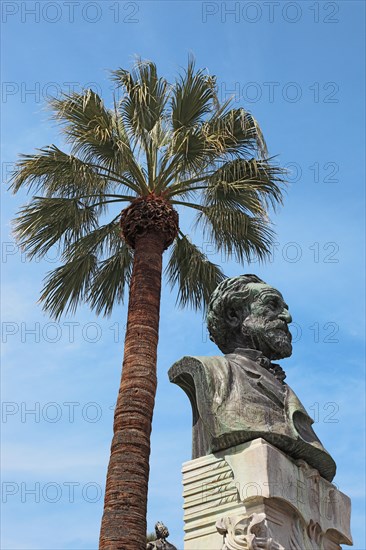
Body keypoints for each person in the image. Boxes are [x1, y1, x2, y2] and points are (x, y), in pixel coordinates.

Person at [169, 275, 336, 481]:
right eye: (272, 305)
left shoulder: (285, 390)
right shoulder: (212, 371)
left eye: (284, 308)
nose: (287, 317)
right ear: (233, 315)